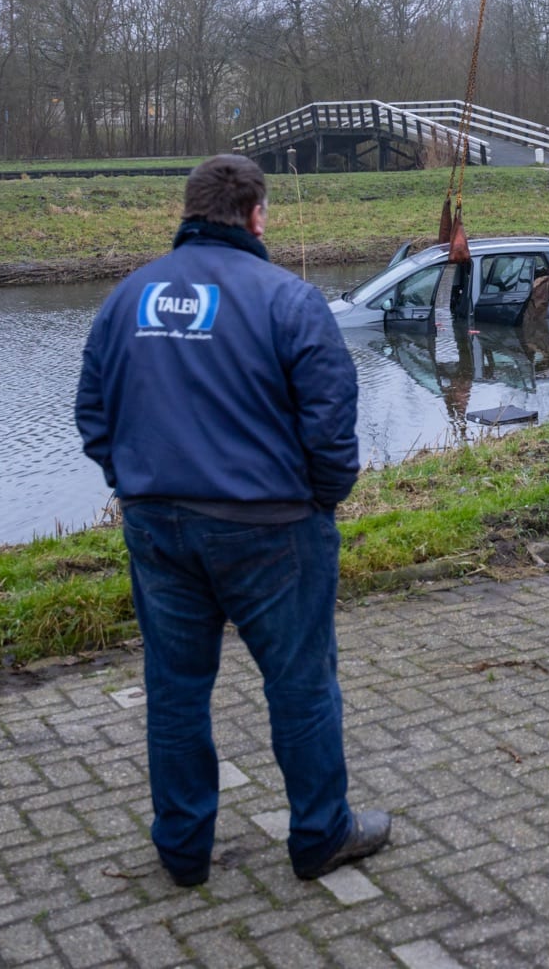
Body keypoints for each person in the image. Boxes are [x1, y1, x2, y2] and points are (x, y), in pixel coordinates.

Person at [75, 154, 389, 888]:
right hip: (273, 529)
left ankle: (183, 851)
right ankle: (319, 835)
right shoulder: (290, 299)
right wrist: (319, 499)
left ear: (188, 212)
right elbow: (332, 423)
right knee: (302, 683)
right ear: (256, 215)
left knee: (175, 689)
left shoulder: (127, 298)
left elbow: (93, 414)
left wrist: (133, 481)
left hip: (158, 526)